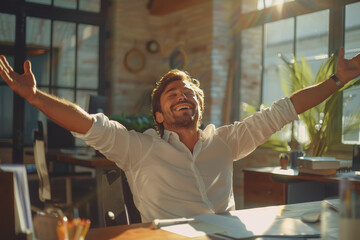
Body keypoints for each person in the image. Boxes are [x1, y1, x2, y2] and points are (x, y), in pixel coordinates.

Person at [0, 48, 360, 222]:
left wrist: (338, 79)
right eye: (173, 94)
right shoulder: (138, 147)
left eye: (188, 92)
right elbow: (84, 123)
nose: (183, 96)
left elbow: (287, 108)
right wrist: (33, 97)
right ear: (159, 115)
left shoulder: (226, 141)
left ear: (198, 107)